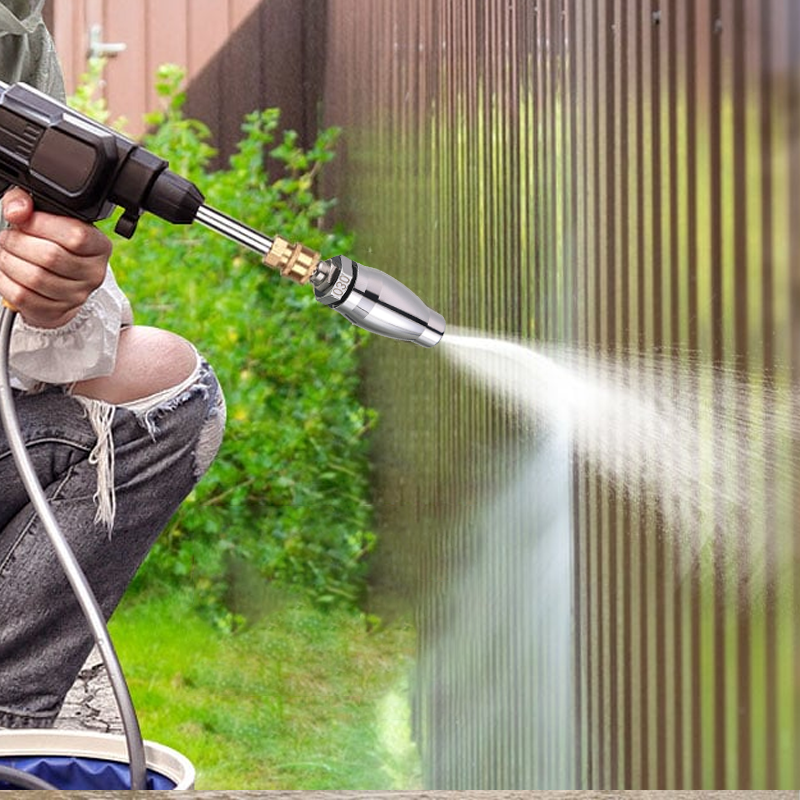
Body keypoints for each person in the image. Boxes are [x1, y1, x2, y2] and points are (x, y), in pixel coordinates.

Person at [0, 2, 226, 727]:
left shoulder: (16, 36)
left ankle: (10, 724)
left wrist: (52, 298)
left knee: (166, 391)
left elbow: (68, 336)